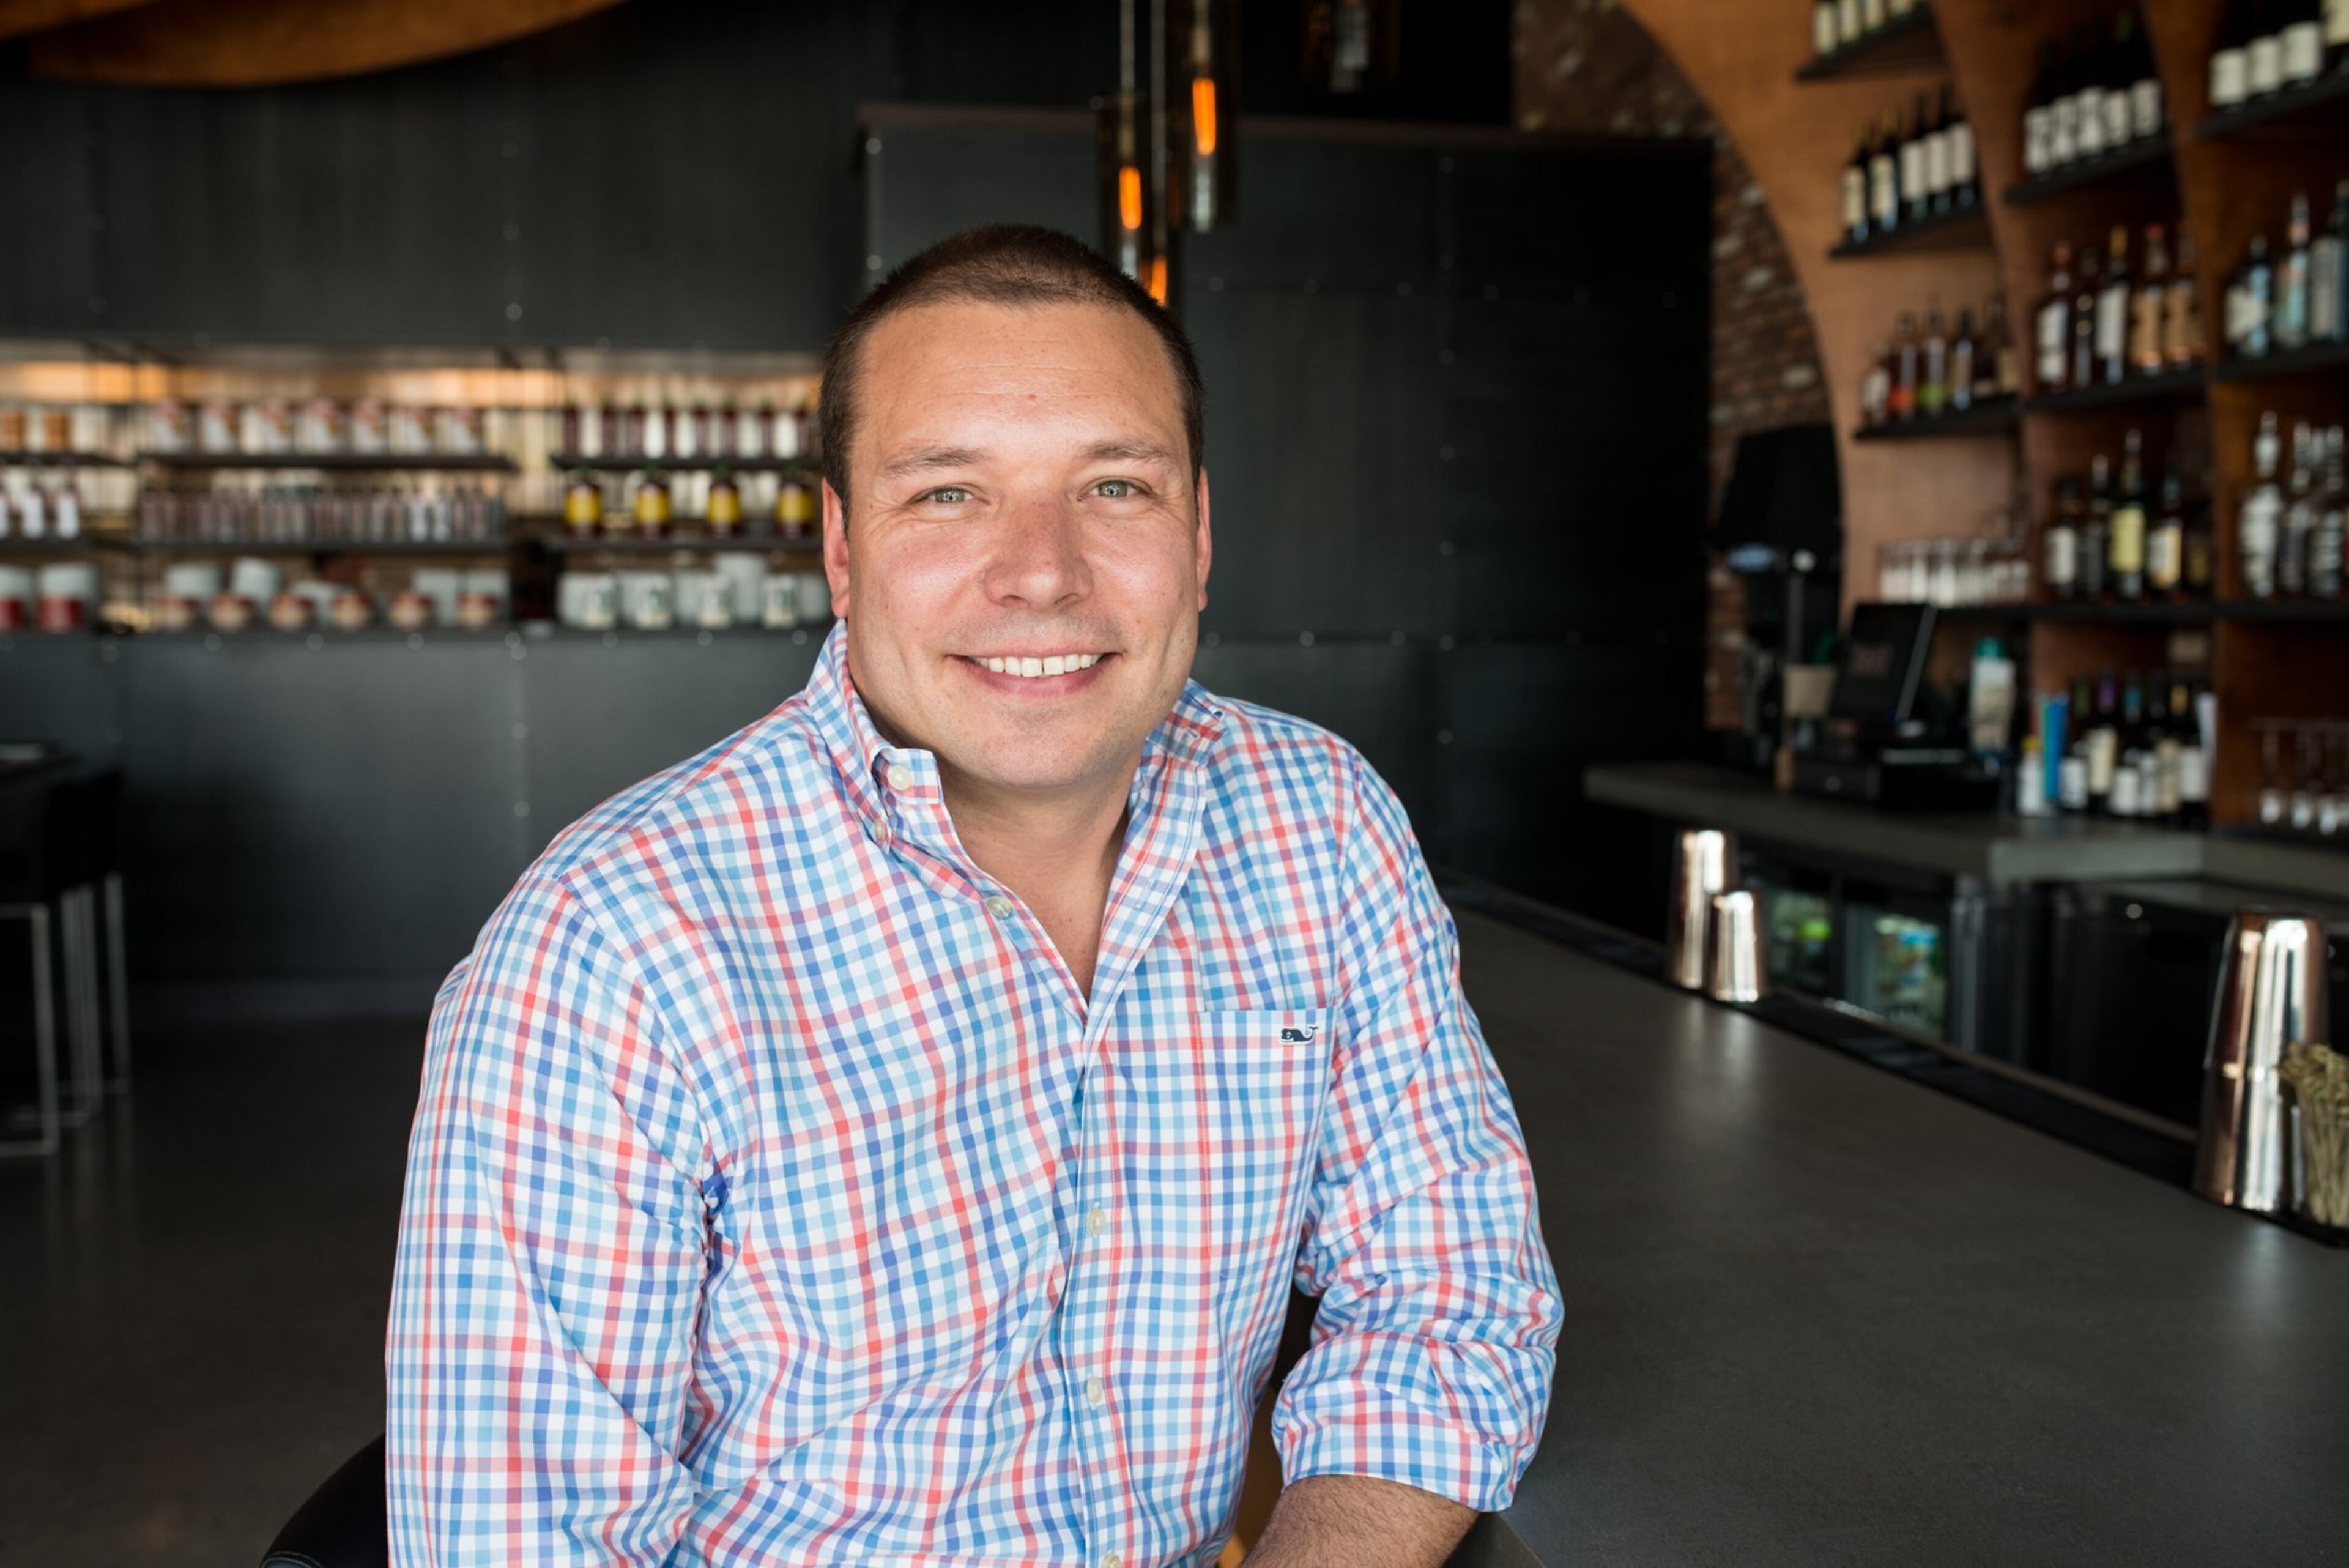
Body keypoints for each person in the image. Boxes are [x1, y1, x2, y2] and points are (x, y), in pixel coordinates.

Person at [387, 225, 1560, 1568]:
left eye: (1116, 487)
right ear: (840, 548)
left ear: (1200, 531)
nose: (1042, 574)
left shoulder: (1319, 821)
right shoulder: (609, 947)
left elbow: (1450, 1290)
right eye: (948, 494)